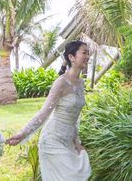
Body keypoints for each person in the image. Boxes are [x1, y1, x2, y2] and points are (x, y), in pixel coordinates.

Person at [6, 40, 92, 181]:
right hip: (52, 141)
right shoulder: (61, 82)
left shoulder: (81, 83)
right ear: (71, 57)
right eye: (84, 53)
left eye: (88, 53)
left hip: (68, 142)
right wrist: (22, 134)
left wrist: (77, 142)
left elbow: (75, 117)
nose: (88, 56)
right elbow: (43, 113)